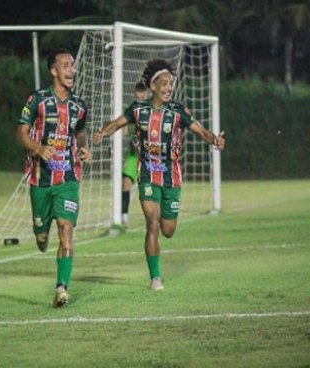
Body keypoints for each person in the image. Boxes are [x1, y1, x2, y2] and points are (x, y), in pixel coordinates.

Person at [93, 59, 225, 291]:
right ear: (152, 86)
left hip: (172, 177)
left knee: (168, 230)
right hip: (147, 174)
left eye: (170, 84)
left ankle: (157, 265)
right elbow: (116, 123)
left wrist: (215, 140)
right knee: (152, 223)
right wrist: (102, 133)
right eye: (163, 83)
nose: (168, 88)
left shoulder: (177, 111)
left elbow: (201, 131)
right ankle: (155, 278)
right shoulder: (138, 109)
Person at [16, 48, 92, 308]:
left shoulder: (79, 106)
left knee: (66, 229)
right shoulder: (37, 100)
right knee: (41, 239)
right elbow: (21, 133)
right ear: (53, 71)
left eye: (72, 65)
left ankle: (61, 287)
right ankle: (40, 229)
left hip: (68, 178)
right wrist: (38, 149)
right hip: (40, 179)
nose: (71, 70)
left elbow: (80, 131)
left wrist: (83, 147)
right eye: (65, 66)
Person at [120, 81, 148, 228]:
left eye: (142, 91)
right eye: (138, 91)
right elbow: (124, 129)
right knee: (126, 183)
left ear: (147, 93)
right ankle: (123, 216)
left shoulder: (152, 108)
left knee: (150, 187)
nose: (140, 93)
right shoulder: (131, 109)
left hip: (150, 154)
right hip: (133, 155)